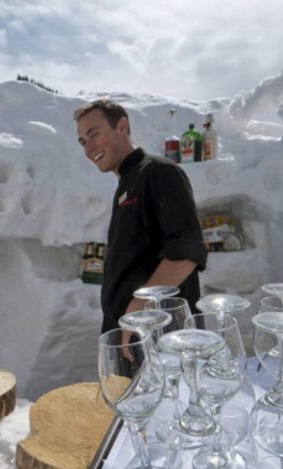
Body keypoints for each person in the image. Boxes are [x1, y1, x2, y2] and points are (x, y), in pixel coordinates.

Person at [74, 99, 207, 333]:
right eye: (83, 141)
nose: (88, 148)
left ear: (122, 126)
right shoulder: (125, 186)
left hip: (160, 334)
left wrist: (139, 307)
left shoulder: (159, 172)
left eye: (94, 134)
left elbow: (186, 252)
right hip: (134, 332)